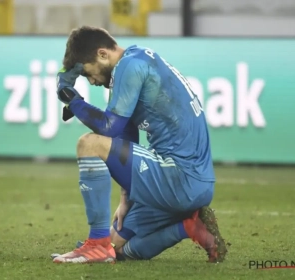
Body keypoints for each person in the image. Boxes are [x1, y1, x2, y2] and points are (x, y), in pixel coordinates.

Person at [51, 26, 227, 264]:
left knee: (89, 145)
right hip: (193, 182)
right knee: (117, 249)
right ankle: (190, 227)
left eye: (88, 73)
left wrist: (73, 101)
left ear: (103, 54)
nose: (91, 81)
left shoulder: (129, 66)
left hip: (179, 175)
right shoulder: (138, 58)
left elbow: (109, 128)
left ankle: (96, 244)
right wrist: (127, 198)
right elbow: (124, 134)